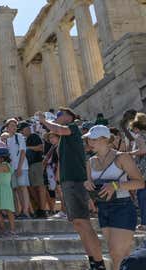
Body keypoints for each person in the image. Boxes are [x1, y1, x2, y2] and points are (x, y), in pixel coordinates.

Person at [38, 108, 105, 270]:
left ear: (69, 116)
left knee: (84, 223)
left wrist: (44, 121)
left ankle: (99, 262)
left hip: (76, 182)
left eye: (60, 115)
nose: (57, 118)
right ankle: (93, 262)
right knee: (77, 223)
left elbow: (58, 129)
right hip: (69, 183)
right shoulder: (63, 139)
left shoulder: (73, 127)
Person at [83, 125, 144, 270]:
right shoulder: (90, 162)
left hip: (122, 207)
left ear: (105, 139)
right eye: (88, 139)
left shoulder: (122, 157)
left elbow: (140, 183)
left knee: (117, 254)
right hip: (103, 208)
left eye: (93, 139)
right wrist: (87, 184)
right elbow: (89, 183)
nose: (89, 142)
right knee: (117, 254)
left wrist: (115, 185)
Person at [18, 121, 48, 218]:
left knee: (40, 186)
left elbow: (40, 147)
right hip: (29, 166)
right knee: (31, 188)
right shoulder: (24, 139)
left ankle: (43, 209)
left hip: (37, 163)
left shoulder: (34, 136)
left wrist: (26, 148)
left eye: (23, 130)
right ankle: (39, 208)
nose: (23, 132)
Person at [5, 119, 32, 219]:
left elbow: (23, 152)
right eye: (11, 125)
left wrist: (19, 167)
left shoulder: (19, 136)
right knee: (17, 189)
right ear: (7, 127)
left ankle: (26, 211)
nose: (14, 127)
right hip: (12, 168)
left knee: (23, 188)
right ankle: (20, 211)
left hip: (22, 167)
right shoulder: (7, 139)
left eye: (15, 125)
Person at [127, 112, 146, 232]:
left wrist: (130, 153)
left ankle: (144, 223)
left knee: (142, 197)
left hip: (143, 172)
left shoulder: (140, 136)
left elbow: (143, 150)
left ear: (136, 127)